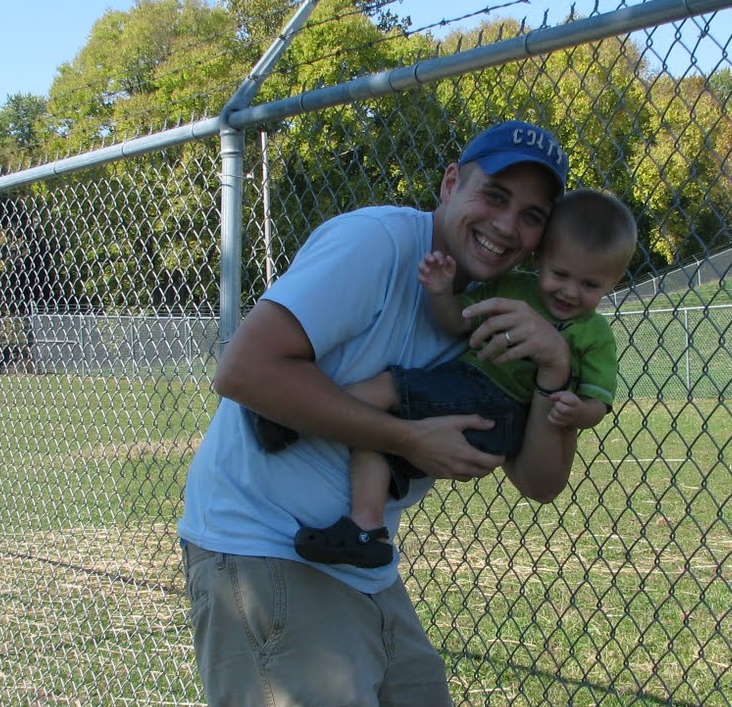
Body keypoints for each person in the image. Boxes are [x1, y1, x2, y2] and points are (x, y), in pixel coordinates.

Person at [177, 120, 581, 707]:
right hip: (264, 550)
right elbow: (244, 371)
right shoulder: (375, 244)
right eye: (495, 196)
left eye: (534, 216)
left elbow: (541, 482)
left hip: (359, 567)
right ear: (450, 185)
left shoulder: (510, 309)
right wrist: (411, 441)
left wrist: (553, 374)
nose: (509, 226)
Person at [268, 188, 636, 568]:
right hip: (466, 387)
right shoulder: (514, 289)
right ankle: (367, 530)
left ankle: (291, 419)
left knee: (391, 386)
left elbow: (599, 401)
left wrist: (577, 411)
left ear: (613, 281)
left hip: (501, 408)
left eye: (590, 285)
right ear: (542, 258)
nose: (571, 292)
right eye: (561, 274)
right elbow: (456, 323)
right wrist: (442, 292)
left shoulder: (595, 334)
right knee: (376, 433)